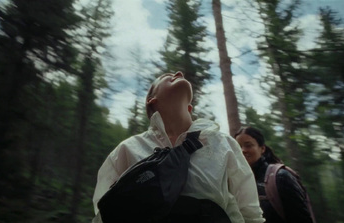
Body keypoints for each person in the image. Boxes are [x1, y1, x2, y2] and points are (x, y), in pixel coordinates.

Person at [92, 71, 264, 223]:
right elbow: (105, 214)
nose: (179, 73)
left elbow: (250, 212)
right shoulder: (127, 150)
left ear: (189, 108)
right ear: (152, 100)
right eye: (167, 77)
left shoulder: (223, 144)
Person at [234, 126, 313, 223]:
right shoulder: (236, 182)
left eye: (248, 145)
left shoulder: (281, 177)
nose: (242, 150)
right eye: (237, 147)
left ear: (262, 148)